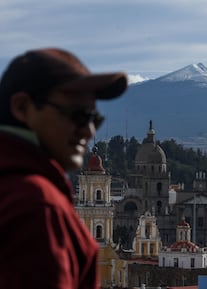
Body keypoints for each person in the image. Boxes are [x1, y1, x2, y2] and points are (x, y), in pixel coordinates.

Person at [0, 48, 128, 288]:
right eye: (77, 115)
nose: (89, 131)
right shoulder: (37, 206)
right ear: (22, 107)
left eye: (94, 119)